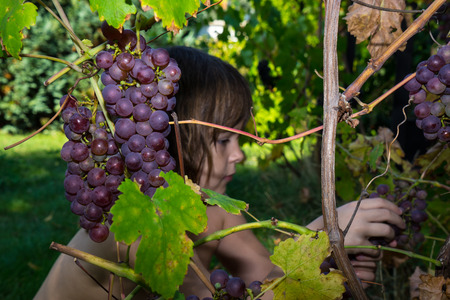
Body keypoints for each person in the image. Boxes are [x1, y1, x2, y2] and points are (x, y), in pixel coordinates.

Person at [34, 46, 405, 300]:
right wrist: (319, 236)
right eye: (223, 140)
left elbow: (269, 279)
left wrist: (331, 263)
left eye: (240, 136)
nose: (240, 154)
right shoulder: (132, 229)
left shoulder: (211, 207)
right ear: (169, 133)